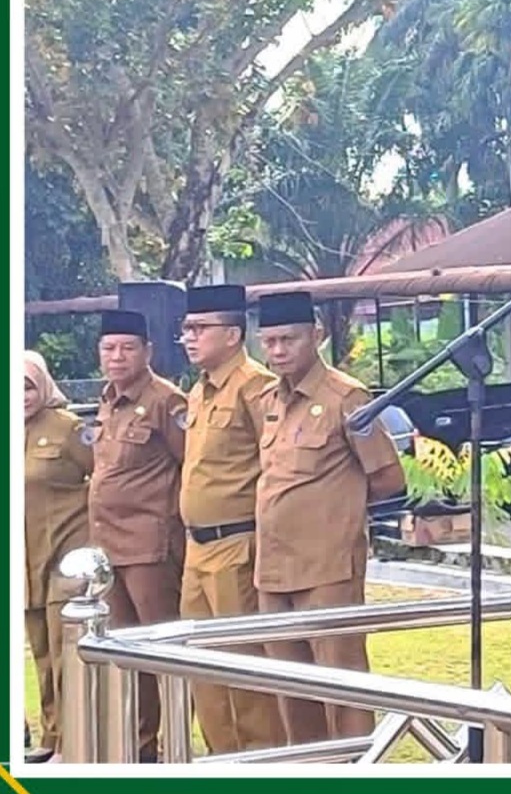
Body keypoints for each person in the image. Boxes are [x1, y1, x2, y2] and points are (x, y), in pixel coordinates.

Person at [254, 292, 405, 744]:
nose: (279, 351)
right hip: (273, 567)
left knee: (342, 685)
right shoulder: (269, 399)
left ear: (316, 335)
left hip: (327, 567)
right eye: (270, 342)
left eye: (289, 339)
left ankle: (355, 766)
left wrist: (337, 510)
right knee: (290, 686)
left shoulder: (345, 396)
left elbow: (387, 476)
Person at [177, 284, 287, 753]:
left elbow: (276, 463)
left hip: (237, 543)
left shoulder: (255, 386)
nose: (189, 337)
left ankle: (260, 761)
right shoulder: (199, 391)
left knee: (243, 665)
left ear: (233, 334)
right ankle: (221, 758)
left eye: (200, 328)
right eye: (186, 329)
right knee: (202, 665)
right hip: (196, 547)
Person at [88, 309, 187, 762]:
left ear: (148, 351)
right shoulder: (107, 400)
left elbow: (190, 465)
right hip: (107, 548)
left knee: (162, 649)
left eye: (128, 348)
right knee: (126, 652)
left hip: (150, 546)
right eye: (109, 348)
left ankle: (177, 747)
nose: (117, 356)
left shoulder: (167, 401)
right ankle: (140, 749)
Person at [22, 349, 94, 764]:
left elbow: (101, 475)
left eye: (28, 387)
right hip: (25, 557)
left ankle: (72, 741)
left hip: (65, 553)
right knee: (41, 652)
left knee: (65, 647)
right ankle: (51, 736)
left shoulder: (69, 428)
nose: (21, 397)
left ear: (44, 386)